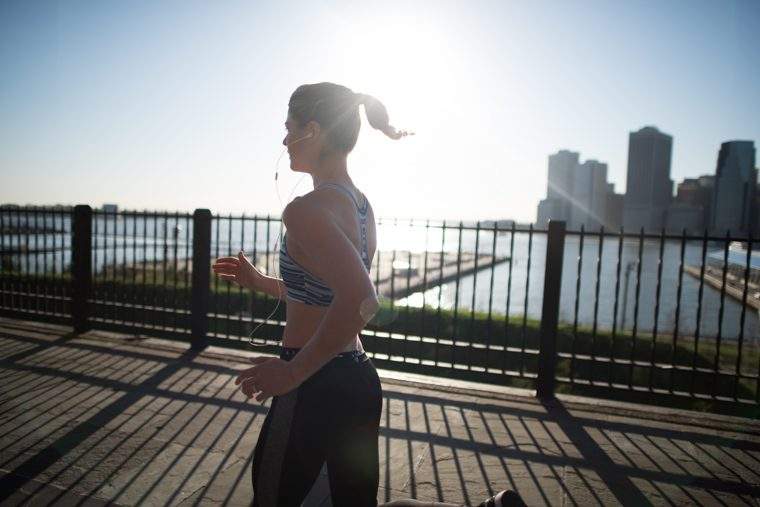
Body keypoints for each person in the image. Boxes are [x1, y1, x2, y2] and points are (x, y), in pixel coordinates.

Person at [211, 82, 525, 507]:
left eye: (290, 128)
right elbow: (325, 295)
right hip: (356, 378)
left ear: (314, 130)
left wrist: (292, 372)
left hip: (314, 384)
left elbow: (362, 301)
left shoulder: (305, 210)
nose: (284, 140)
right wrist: (260, 281)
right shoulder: (360, 205)